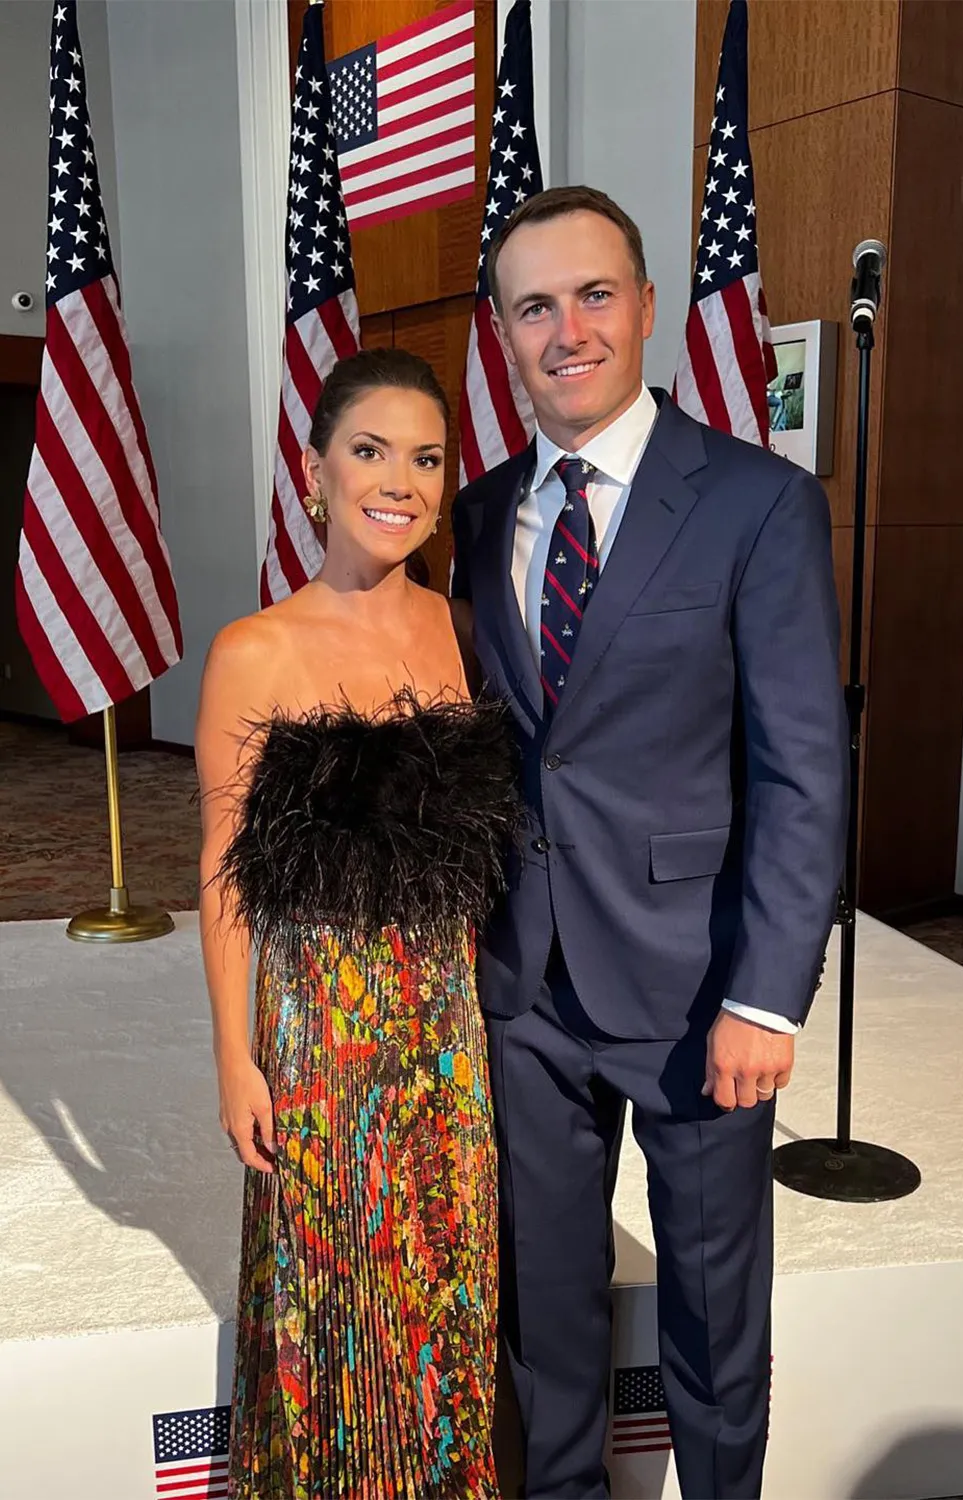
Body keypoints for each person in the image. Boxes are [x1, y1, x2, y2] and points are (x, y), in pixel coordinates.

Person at [451, 186, 848, 1499]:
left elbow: (801, 770)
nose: (567, 330)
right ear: (504, 333)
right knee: (544, 1312)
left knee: (715, 1322)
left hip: (699, 991)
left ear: (644, 305)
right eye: (534, 307)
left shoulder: (754, 503)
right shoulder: (478, 515)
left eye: (593, 295)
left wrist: (765, 997)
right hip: (525, 989)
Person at [195, 349, 519, 1499]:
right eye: (369, 451)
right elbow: (224, 872)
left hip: (446, 1037)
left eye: (425, 459)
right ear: (313, 471)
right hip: (319, 1044)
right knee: (332, 1304)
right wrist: (235, 1056)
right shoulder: (255, 650)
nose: (398, 482)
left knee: (448, 1295)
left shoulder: (463, 632)